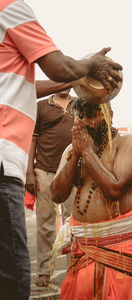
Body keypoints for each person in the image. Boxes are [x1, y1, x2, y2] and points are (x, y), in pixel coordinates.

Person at [0, 1, 122, 299]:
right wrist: (88, 65)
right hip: (6, 165)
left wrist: (76, 76)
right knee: (13, 276)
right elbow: (59, 65)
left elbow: (24, 85)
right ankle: (45, 270)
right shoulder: (9, 7)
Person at [50, 98, 132, 300]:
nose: (86, 122)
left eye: (92, 115)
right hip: (83, 252)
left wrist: (87, 152)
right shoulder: (72, 151)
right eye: (81, 116)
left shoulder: (129, 143)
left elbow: (114, 190)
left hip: (122, 251)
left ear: (109, 115)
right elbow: (57, 194)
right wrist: (76, 155)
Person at [25, 86, 75, 287]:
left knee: (74, 224)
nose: (64, 84)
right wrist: (29, 172)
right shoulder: (41, 106)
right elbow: (32, 140)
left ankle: (75, 268)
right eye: (59, 80)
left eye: (68, 80)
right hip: (44, 171)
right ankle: (45, 270)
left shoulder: (79, 105)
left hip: (73, 173)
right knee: (45, 224)